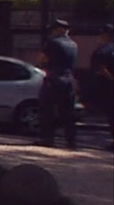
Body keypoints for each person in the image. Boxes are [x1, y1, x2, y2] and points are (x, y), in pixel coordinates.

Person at [37, 19, 78, 149]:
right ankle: (71, 141)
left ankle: (48, 139)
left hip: (54, 78)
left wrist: (40, 65)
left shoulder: (52, 43)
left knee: (47, 109)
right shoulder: (73, 44)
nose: (52, 32)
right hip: (69, 79)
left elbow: (43, 59)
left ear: (59, 29)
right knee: (68, 111)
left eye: (54, 29)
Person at [90, 23, 114, 150]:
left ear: (105, 35)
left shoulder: (102, 51)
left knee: (111, 114)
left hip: (108, 88)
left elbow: (102, 69)